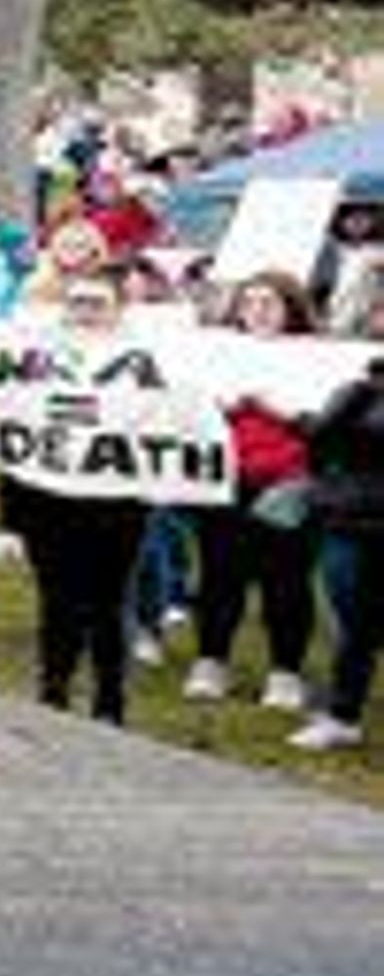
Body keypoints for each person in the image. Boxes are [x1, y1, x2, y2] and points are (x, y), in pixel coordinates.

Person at [1, 275, 151, 724]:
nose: (86, 312)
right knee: (56, 600)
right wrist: (11, 517)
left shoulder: (147, 365)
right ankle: (54, 690)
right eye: (77, 303)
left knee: (108, 601)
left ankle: (110, 699)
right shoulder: (33, 363)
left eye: (97, 304)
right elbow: (13, 435)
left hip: (117, 501)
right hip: (48, 500)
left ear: (118, 310)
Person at [188, 273, 320, 714]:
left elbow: (328, 424)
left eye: (270, 302)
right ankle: (211, 660)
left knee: (286, 579)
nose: (259, 311)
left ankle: (285, 672)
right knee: (219, 575)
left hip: (290, 480)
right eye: (249, 303)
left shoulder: (317, 357)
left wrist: (281, 408)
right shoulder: (217, 355)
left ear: (291, 309)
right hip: (225, 479)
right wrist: (219, 408)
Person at [293, 355, 384, 752]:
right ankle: (342, 717)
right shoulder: (356, 390)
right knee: (354, 620)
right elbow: (319, 442)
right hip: (350, 519)